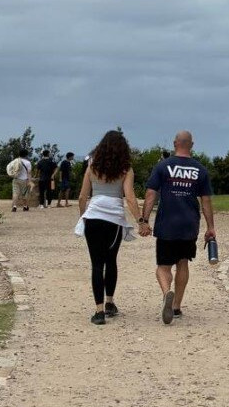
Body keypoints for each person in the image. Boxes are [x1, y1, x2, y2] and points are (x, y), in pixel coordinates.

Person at [140, 130, 215, 325]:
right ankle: (177, 306)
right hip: (189, 223)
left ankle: (167, 293)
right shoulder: (200, 170)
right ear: (192, 145)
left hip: (167, 223)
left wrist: (144, 220)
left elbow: (150, 194)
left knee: (163, 266)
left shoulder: (163, 166)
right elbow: (206, 200)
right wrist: (210, 227)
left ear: (175, 144)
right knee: (183, 262)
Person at [75, 130, 144, 325]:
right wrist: (140, 220)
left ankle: (98, 312)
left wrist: (83, 217)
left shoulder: (91, 167)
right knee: (111, 260)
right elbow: (129, 197)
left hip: (93, 216)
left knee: (96, 264)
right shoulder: (126, 169)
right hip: (113, 219)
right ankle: (109, 302)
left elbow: (82, 197)